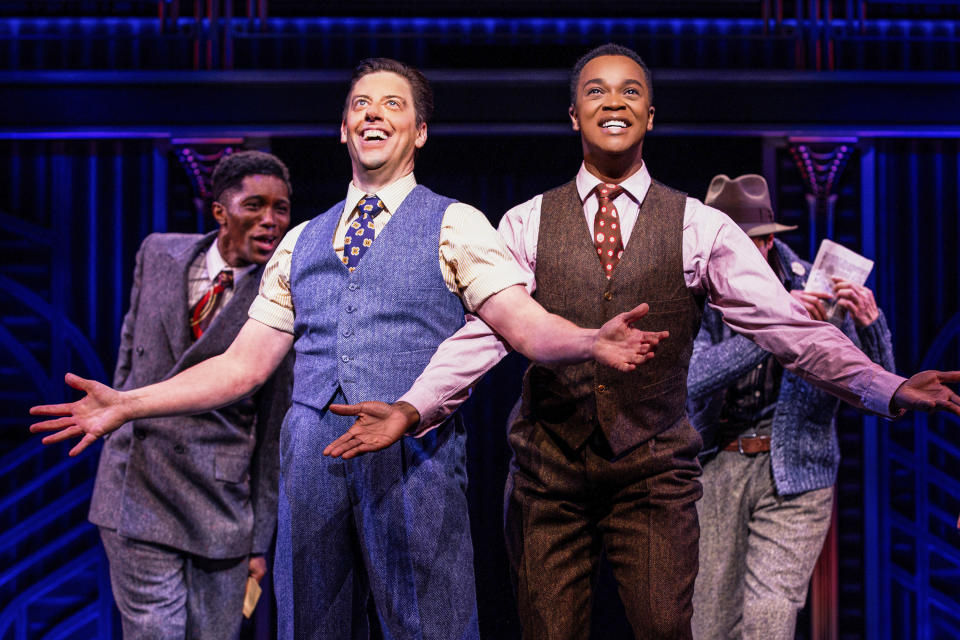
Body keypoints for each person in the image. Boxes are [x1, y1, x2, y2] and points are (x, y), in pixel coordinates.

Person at [322, 44, 960, 640]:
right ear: (574, 115)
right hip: (549, 472)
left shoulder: (700, 225)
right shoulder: (524, 221)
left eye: (630, 92)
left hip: (653, 470)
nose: (614, 102)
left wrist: (889, 386)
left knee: (663, 629)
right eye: (596, 92)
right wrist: (411, 408)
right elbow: (484, 334)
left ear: (650, 116)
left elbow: (786, 327)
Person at [29, 58, 665, 640]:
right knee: (310, 626)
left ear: (418, 133)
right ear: (343, 128)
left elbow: (521, 325)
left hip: (414, 459)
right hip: (311, 462)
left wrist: (589, 340)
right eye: (362, 103)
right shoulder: (300, 239)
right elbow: (241, 365)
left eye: (393, 105)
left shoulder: (454, 222)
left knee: (431, 626)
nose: (374, 113)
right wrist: (128, 404)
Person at [85, 150, 294, 640]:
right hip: (136, 491)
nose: (270, 220)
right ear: (220, 210)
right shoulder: (159, 253)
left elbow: (273, 431)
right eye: (255, 205)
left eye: (281, 209)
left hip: (219, 510)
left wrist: (259, 540)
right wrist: (116, 434)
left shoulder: (283, 294)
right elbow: (131, 353)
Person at [687, 173, 895, 640]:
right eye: (732, 245)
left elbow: (878, 393)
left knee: (768, 621)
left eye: (755, 242)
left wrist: (871, 323)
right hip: (716, 469)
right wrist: (777, 327)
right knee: (709, 626)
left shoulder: (816, 285)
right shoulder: (692, 295)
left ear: (766, 242)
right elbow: (693, 379)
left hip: (798, 474)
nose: (747, 255)